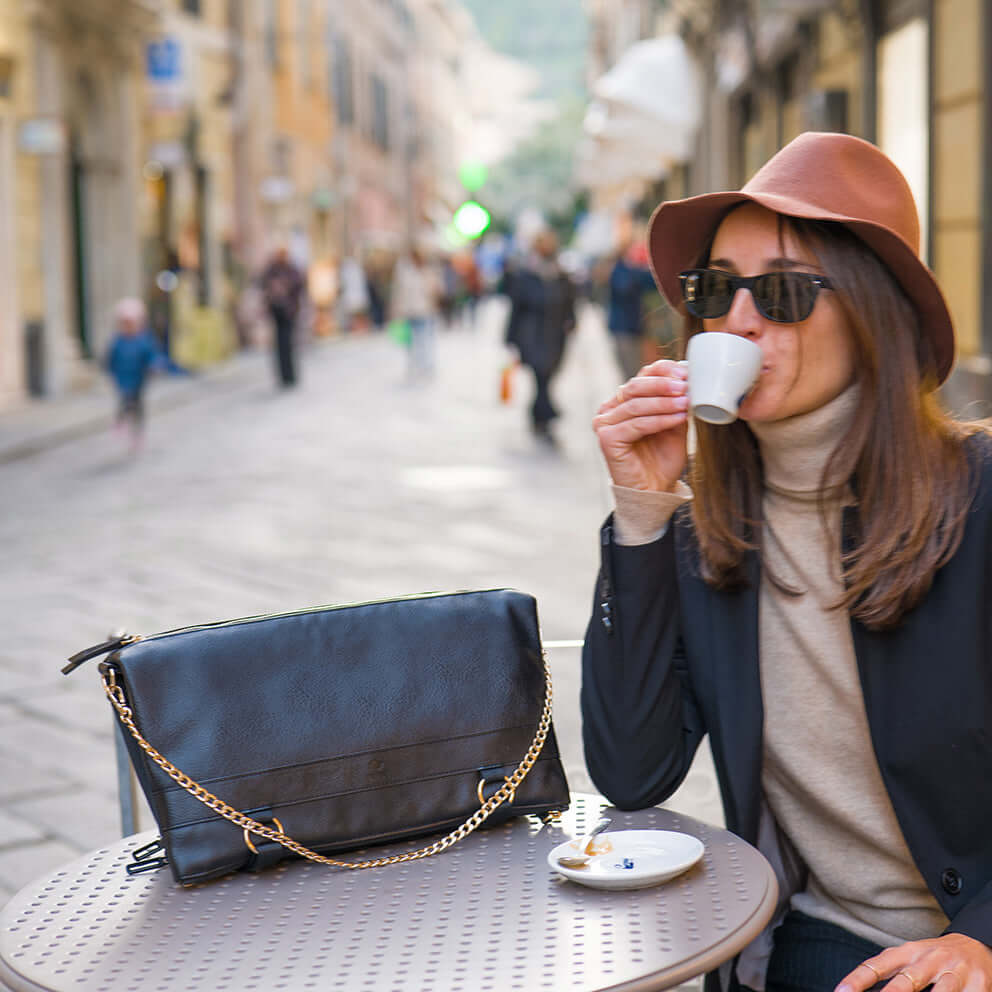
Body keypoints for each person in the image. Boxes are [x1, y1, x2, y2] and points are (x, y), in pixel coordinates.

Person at [581, 131, 992, 992]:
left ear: (875, 317)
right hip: (822, 938)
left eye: (782, 292)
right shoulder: (707, 531)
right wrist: (643, 513)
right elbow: (632, 771)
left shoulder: (980, 493)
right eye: (715, 288)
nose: (737, 320)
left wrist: (981, 942)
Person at [504, 229, 577, 442]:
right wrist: (510, 337)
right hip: (532, 335)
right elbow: (516, 308)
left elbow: (570, 304)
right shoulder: (526, 275)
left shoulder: (561, 275)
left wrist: (572, 322)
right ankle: (547, 413)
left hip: (554, 335)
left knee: (548, 375)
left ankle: (540, 413)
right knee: (540, 374)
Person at [104, 297, 165, 453]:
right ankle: (120, 423)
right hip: (122, 379)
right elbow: (110, 358)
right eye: (125, 323)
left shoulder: (143, 340)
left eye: (130, 323)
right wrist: (109, 370)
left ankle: (136, 433)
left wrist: (155, 365)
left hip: (138, 379)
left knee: (137, 405)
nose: (128, 326)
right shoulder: (118, 341)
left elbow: (152, 355)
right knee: (124, 402)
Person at [607, 232, 658, 380]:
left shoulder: (632, 271)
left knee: (635, 368)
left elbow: (652, 282)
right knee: (630, 372)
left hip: (635, 328)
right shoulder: (620, 270)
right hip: (623, 329)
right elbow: (624, 288)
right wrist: (636, 269)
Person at [390, 245, 441, 379]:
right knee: (411, 342)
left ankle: (426, 366)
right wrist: (396, 309)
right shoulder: (406, 274)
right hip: (409, 312)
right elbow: (399, 293)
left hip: (425, 312)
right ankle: (414, 365)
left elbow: (435, 291)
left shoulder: (428, 272)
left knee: (424, 340)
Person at [259, 245, 306, 387]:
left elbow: (299, 285)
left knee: (288, 343)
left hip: (289, 312)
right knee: (280, 344)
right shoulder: (272, 270)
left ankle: (290, 376)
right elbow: (263, 285)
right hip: (277, 312)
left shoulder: (291, 270)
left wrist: (285, 286)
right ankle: (283, 377)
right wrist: (273, 289)